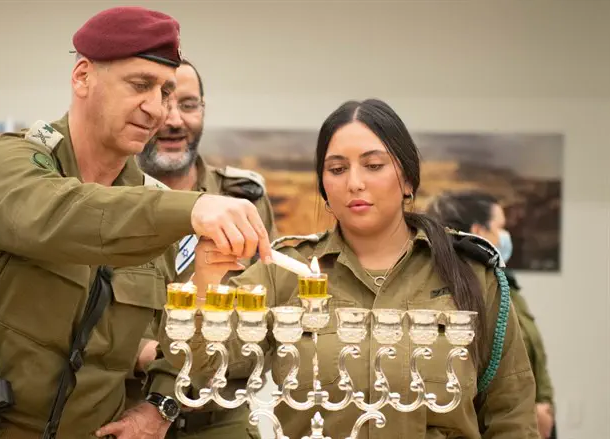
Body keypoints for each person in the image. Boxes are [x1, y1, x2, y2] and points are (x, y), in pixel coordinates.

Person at [0, 7, 273, 439]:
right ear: (82, 76)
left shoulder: (158, 209)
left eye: (166, 92)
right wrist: (191, 209)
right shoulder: (10, 163)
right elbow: (62, 214)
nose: (156, 109)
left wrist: (159, 405)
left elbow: (184, 345)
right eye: (140, 85)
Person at [175, 98, 540, 438]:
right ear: (323, 186)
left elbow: (511, 410)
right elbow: (206, 369)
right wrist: (206, 279)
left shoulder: (469, 272)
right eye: (336, 169)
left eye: (374, 165)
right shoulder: (286, 269)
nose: (354, 183)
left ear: (408, 179)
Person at [124, 59, 278, 439]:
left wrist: (168, 358)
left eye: (189, 105)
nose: (175, 120)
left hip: (218, 417)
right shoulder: (109, 202)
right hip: (126, 415)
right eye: (164, 103)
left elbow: (262, 313)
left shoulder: (244, 198)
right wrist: (138, 354)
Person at [425, 190, 556, 438]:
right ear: (480, 231)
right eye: (500, 227)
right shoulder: (454, 294)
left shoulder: (507, 286)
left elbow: (529, 357)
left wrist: (541, 405)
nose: (505, 237)